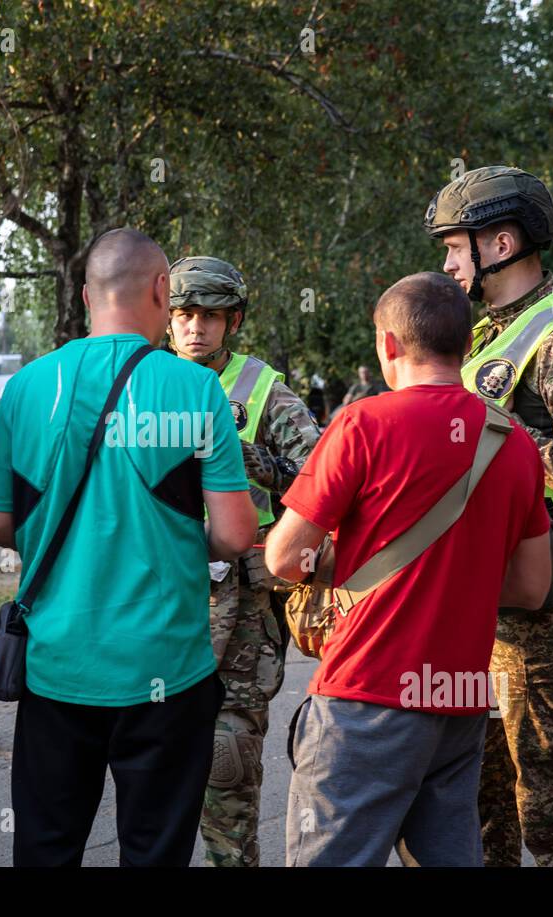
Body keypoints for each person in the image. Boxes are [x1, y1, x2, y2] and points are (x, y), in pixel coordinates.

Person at [0, 228, 257, 867]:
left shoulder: (26, 387)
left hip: (56, 667)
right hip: (168, 668)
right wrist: (176, 535)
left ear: (83, 295)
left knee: (48, 847)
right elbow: (237, 535)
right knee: (154, 851)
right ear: (163, 291)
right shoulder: (195, 390)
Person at [266, 272, 552, 866]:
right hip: (461, 701)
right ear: (468, 345)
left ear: (387, 345)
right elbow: (532, 588)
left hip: (366, 694)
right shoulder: (513, 442)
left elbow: (284, 558)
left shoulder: (361, 425)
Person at [425, 164, 553, 866]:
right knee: (477, 816)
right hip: (477, 607)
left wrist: (492, 426)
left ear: (502, 243)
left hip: (548, 620)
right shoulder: (482, 336)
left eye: (457, 247)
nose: (448, 263)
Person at [166, 256, 319, 867]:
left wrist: (249, 458)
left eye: (209, 316)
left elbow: (318, 481)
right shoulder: (146, 379)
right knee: (159, 753)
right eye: (184, 315)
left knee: (227, 757)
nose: (195, 327)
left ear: (231, 322)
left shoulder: (263, 389)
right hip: (163, 591)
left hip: (245, 607)